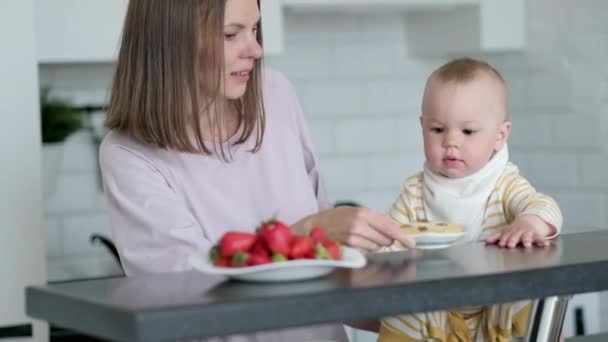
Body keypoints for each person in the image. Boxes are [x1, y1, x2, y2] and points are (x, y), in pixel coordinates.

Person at [99, 0, 415, 341]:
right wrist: (306, 236)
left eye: (254, 29)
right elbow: (186, 292)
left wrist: (407, 316)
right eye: (231, 34)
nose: (256, 49)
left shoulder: (274, 95)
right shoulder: (128, 156)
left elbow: (326, 271)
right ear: (170, 42)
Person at [376, 58, 563, 341]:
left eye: (468, 131)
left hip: (493, 307)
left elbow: (544, 206)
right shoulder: (416, 192)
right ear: (422, 126)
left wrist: (530, 222)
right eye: (437, 129)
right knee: (401, 308)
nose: (451, 142)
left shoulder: (503, 184)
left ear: (500, 136)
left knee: (529, 290)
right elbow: (388, 239)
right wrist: (375, 256)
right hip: (436, 309)